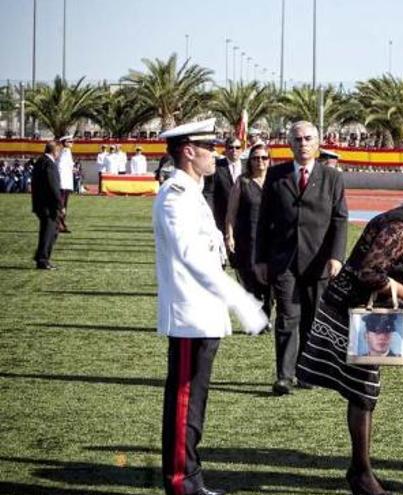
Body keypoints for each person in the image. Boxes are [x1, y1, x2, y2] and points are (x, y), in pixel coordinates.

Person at [296, 167, 403, 494]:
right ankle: (360, 473)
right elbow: (369, 272)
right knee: (362, 391)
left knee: (365, 392)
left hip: (368, 314)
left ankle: (360, 470)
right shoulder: (400, 227)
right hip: (352, 312)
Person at [153, 118, 267, 495]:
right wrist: (242, 301)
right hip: (190, 317)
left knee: (195, 402)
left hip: (204, 316)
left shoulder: (191, 193)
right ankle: (181, 480)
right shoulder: (175, 195)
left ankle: (190, 477)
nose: (216, 154)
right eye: (209, 147)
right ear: (189, 151)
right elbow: (193, 258)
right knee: (185, 403)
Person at [255, 120, 349, 396]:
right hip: (283, 260)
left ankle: (307, 371)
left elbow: (340, 220)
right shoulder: (276, 175)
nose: (303, 143)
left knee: (312, 317)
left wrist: (336, 256)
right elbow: (263, 220)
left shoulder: (332, 178)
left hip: (318, 260)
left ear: (318, 143)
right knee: (287, 316)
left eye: (308, 138)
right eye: (297, 139)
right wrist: (260, 259)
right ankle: (284, 376)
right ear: (289, 144)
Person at [225, 141, 272, 324]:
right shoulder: (242, 182)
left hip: (270, 240)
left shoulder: (277, 180)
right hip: (247, 239)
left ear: (269, 160)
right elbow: (231, 212)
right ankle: (256, 317)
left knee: (268, 281)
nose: (260, 161)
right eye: (255, 158)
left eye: (264, 158)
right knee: (250, 280)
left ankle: (266, 314)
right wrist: (229, 235)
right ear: (250, 161)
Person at [31, 141, 63, 270]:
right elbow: (53, 186)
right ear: (55, 151)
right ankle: (43, 259)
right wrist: (59, 204)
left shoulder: (40, 161)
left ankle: (40, 255)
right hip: (48, 205)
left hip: (41, 203)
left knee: (49, 231)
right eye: (58, 151)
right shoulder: (49, 164)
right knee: (49, 232)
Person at [204, 137, 242, 233]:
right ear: (225, 149)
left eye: (237, 147)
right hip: (222, 218)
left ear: (242, 149)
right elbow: (209, 193)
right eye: (231, 147)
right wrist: (210, 216)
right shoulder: (216, 167)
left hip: (244, 219)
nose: (234, 151)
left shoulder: (248, 166)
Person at [57, 135, 75, 233]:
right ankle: (60, 224)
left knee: (64, 205)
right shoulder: (63, 152)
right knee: (61, 205)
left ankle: (62, 224)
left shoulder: (67, 152)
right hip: (63, 183)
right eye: (70, 141)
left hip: (67, 182)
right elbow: (60, 167)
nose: (72, 143)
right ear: (64, 143)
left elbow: (69, 165)